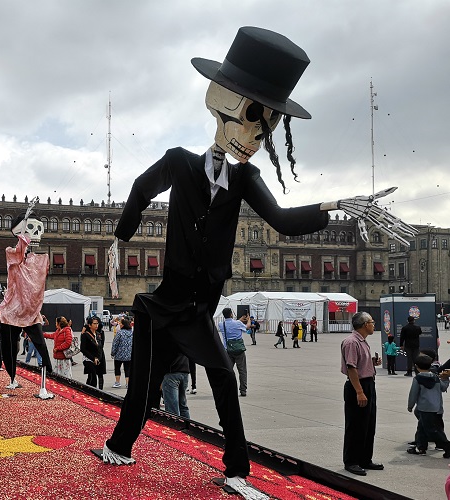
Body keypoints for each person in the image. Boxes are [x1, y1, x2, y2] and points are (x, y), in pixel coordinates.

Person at [100, 28, 413, 496]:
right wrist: (119, 239)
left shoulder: (246, 178)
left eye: (264, 129)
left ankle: (236, 473)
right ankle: (119, 447)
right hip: (158, 305)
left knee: (224, 379)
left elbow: (284, 222)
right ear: (220, 102)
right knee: (144, 388)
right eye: (250, 120)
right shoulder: (180, 162)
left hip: (198, 309)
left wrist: (334, 205)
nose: (253, 138)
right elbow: (142, 190)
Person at [0, 208, 56, 398]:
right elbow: (20, 253)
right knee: (9, 346)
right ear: (18, 231)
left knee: (41, 346)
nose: (36, 233)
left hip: (31, 312)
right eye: (30, 228)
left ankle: (44, 386)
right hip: (12, 310)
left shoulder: (40, 259)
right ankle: (12, 378)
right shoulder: (11, 253)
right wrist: (22, 235)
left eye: (39, 229)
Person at [341, 311, 383, 476]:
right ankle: (351, 461)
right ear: (365, 324)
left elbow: (358, 364)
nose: (374, 324)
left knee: (368, 424)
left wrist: (371, 363)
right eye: (372, 322)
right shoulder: (351, 342)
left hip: (368, 384)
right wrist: (359, 392)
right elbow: (351, 368)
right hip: (357, 386)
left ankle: (365, 459)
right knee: (355, 425)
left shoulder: (362, 341)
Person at [407, 353, 450, 457]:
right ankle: (421, 447)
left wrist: (410, 405)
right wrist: (445, 378)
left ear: (416, 366)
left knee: (432, 430)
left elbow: (413, 393)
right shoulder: (436, 378)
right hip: (437, 408)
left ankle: (447, 446)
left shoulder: (417, 379)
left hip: (424, 408)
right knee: (422, 428)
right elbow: (444, 388)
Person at [219, 308, 249, 397]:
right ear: (231, 314)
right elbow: (247, 328)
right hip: (239, 350)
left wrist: (239, 320)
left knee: (228, 371)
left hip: (228, 350)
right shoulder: (238, 323)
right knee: (242, 371)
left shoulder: (221, 324)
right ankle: (243, 390)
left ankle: (227, 389)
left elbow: (232, 323)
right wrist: (249, 320)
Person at [161, 353, 191, 419]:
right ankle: (186, 426)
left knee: (172, 407)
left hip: (172, 371)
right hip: (184, 370)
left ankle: (175, 427)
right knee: (182, 406)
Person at [81, 316, 106, 389]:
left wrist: (98, 358)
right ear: (89, 325)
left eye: (97, 323)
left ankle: (100, 391)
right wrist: (93, 358)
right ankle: (90, 391)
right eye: (94, 324)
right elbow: (83, 349)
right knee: (92, 376)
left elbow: (101, 347)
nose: (96, 325)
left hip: (99, 356)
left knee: (99, 374)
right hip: (89, 358)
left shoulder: (99, 334)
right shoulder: (85, 335)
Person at [111, 317, 133, 388]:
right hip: (129, 355)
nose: (119, 324)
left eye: (121, 323)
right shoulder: (132, 333)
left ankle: (117, 382)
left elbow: (115, 343)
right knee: (127, 369)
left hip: (119, 354)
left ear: (123, 325)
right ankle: (128, 383)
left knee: (117, 368)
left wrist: (113, 352)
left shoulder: (119, 333)